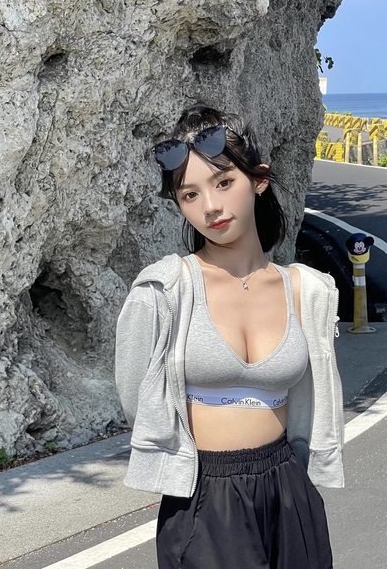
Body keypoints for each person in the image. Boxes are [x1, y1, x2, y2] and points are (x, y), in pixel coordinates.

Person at [114, 103, 344, 569]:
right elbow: (137, 398)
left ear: (259, 180)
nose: (211, 207)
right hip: (203, 496)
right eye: (190, 194)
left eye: (223, 182)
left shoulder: (307, 290)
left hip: (288, 486)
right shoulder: (164, 290)